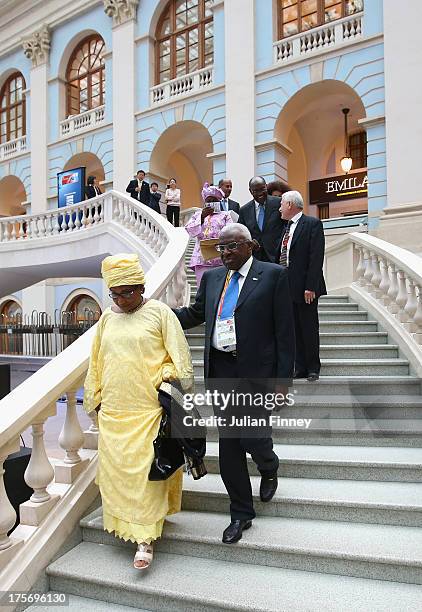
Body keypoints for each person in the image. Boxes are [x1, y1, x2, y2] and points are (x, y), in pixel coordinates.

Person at [174, 224, 295, 544]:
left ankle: (269, 465)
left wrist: (282, 383)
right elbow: (194, 314)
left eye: (232, 247)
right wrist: (155, 311)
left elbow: (286, 333)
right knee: (229, 446)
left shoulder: (273, 275)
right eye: (221, 248)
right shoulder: (212, 279)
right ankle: (241, 513)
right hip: (222, 371)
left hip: (256, 372)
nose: (225, 253)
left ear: (250, 246)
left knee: (253, 437)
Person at [83, 253, 193, 570]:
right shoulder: (107, 318)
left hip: (148, 410)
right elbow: (96, 360)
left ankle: (145, 540)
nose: (121, 299)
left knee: (146, 473)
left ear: (141, 287)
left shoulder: (160, 313)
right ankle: (127, 525)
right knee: (119, 475)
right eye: (115, 293)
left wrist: (168, 380)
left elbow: (179, 357)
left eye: (127, 292)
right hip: (115, 412)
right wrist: (96, 398)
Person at [277, 190, 326, 382]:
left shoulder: (312, 224)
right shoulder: (286, 228)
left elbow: (316, 257)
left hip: (306, 287)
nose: (279, 208)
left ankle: (313, 368)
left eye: (281, 203)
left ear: (290, 205)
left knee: (308, 328)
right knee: (294, 329)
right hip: (287, 286)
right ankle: (300, 368)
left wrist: (310, 286)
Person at [185, 182, 233, 286]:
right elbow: (189, 230)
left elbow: (231, 232)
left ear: (219, 201)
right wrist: (202, 217)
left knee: (220, 290)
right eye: (208, 201)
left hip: (220, 258)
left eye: (214, 200)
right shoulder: (197, 215)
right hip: (201, 259)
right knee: (202, 289)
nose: (211, 203)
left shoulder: (225, 215)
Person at [238, 176, 285, 263]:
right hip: (256, 257)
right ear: (250, 191)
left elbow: (287, 226)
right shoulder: (244, 210)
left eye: (262, 189)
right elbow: (241, 233)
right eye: (256, 191)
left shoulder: (279, 203)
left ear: (266, 186)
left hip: (277, 255)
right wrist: (250, 243)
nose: (260, 193)